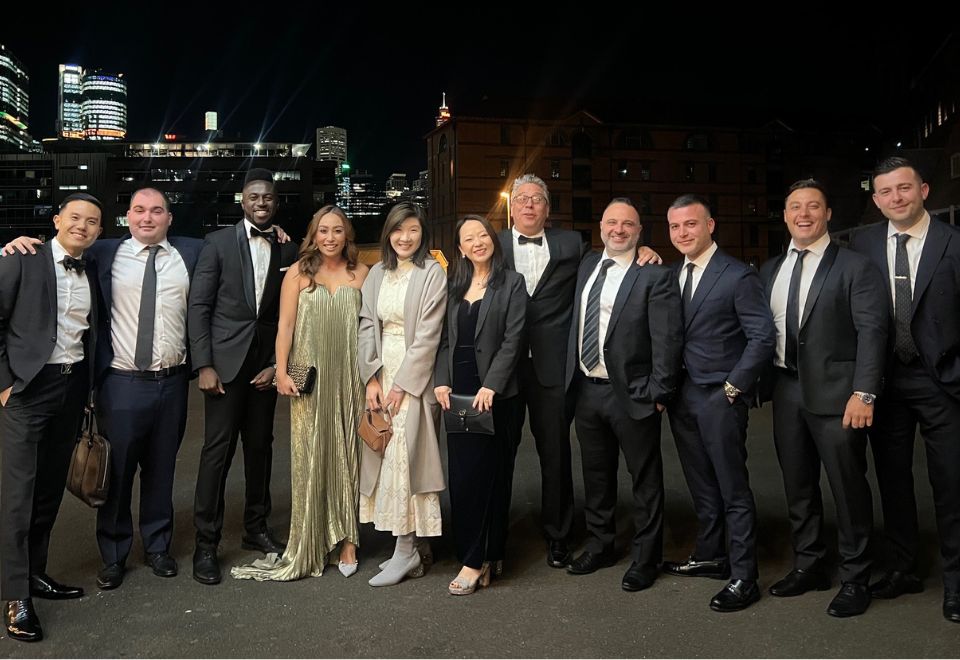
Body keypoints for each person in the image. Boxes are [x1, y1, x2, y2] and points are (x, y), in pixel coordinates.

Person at [759, 179, 887, 618]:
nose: (804, 214)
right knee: (798, 486)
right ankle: (810, 564)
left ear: (828, 213)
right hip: (786, 389)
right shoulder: (770, 269)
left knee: (848, 489)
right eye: (795, 206)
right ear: (785, 215)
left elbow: (873, 331)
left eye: (814, 206)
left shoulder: (855, 266)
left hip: (840, 396)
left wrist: (864, 392)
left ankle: (856, 577)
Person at [849, 156, 960, 624]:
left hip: (943, 381)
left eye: (905, 189)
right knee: (893, 482)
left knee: (951, 484)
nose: (896, 198)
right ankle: (903, 568)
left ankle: (956, 582)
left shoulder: (954, 243)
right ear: (875, 200)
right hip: (886, 382)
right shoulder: (863, 242)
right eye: (886, 192)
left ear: (924, 190)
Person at [231, 205, 368, 581]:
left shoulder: (362, 274)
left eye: (337, 231)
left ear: (347, 235)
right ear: (313, 234)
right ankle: (312, 537)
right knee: (310, 455)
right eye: (323, 230)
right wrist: (281, 372)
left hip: (349, 376)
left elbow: (371, 329)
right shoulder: (297, 272)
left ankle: (348, 539)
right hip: (307, 376)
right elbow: (285, 326)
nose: (329, 237)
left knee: (347, 454)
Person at [662, 195, 775, 612]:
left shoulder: (736, 275)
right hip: (683, 396)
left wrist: (734, 387)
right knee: (702, 485)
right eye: (675, 227)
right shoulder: (672, 274)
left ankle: (745, 575)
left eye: (691, 224)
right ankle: (711, 555)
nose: (683, 233)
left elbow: (763, 337)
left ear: (711, 225)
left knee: (732, 488)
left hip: (720, 395)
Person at [564, 198, 683, 593]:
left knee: (645, 480)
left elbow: (667, 338)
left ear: (639, 231)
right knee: (596, 477)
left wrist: (658, 392)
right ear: (600, 226)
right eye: (612, 222)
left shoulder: (653, 273)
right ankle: (601, 546)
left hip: (631, 394)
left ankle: (646, 558)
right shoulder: (587, 266)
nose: (619, 229)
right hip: (587, 390)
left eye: (628, 224)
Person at [188, 168, 299, 585]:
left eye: (268, 197)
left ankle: (256, 528)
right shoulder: (216, 243)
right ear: (242, 200)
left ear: (275, 201)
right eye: (254, 197)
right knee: (216, 454)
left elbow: (290, 316)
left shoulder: (288, 249)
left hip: (264, 368)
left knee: (260, 449)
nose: (262, 203)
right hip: (223, 367)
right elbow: (199, 307)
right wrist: (204, 365)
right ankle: (206, 544)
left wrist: (277, 363)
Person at [0, 192, 103, 643]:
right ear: (57, 218)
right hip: (26, 389)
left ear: (100, 231)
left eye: (93, 221)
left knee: (47, 492)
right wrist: (5, 381)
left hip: (71, 386)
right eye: (75, 217)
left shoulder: (93, 268)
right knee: (17, 497)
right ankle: (15, 595)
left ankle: (36, 573)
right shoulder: (20, 258)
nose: (82, 225)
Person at [498, 174, 587, 569]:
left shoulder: (572, 243)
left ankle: (559, 535)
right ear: (511, 206)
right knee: (500, 453)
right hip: (505, 369)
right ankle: (493, 536)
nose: (529, 205)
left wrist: (646, 251)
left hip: (553, 367)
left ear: (547, 210)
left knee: (555, 454)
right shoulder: (494, 245)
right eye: (522, 199)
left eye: (537, 199)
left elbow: (609, 263)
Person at [434, 214, 526, 595]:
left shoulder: (512, 283)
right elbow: (442, 340)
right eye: (468, 238)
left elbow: (513, 339)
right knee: (463, 477)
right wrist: (441, 380)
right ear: (460, 249)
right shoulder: (455, 285)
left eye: (482, 235)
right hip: (458, 395)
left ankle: (478, 559)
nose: (477, 242)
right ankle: (483, 552)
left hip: (496, 395)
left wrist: (492, 384)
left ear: (493, 238)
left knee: (494, 475)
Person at [358, 201, 447, 587]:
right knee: (385, 454)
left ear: (422, 233)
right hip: (383, 371)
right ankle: (412, 547)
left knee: (406, 458)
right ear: (387, 234)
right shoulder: (377, 272)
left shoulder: (433, 273)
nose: (404, 237)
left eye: (412, 229)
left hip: (415, 378)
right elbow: (365, 324)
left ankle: (406, 549)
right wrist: (372, 378)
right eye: (397, 230)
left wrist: (401, 385)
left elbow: (429, 335)